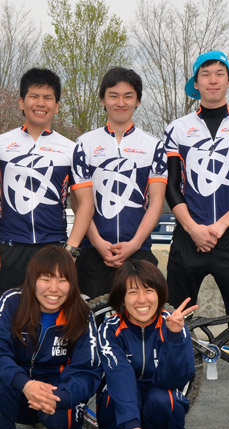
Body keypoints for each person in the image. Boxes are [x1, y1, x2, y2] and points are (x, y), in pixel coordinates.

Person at [163, 50, 229, 429]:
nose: (212, 80)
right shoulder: (177, 128)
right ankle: (167, 397)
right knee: (172, 321)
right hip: (186, 237)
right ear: (196, 82)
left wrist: (219, 227)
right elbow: (171, 189)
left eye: (219, 73)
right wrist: (194, 228)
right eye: (205, 74)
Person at [0, 68, 94, 324]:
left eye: (47, 98)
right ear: (22, 102)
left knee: (51, 328)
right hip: (7, 250)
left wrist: (71, 250)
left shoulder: (72, 149)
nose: (40, 103)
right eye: (34, 96)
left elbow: (86, 203)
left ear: (56, 105)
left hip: (52, 249)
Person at [0, 245, 102, 429]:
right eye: (46, 278)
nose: (53, 289)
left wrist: (61, 397)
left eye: (62, 280)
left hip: (55, 391)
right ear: (32, 279)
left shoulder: (82, 314)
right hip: (17, 388)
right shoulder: (11, 301)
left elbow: (88, 370)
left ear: (72, 283)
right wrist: (25, 384)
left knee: (63, 412)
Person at [78, 260, 205, 429]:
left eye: (148, 290)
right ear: (121, 298)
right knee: (111, 393)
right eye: (132, 292)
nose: (142, 300)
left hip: (157, 406)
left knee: (167, 397)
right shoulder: (111, 328)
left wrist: (174, 337)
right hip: (122, 411)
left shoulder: (173, 323)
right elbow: (120, 375)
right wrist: (132, 426)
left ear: (160, 294)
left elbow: (178, 379)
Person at [74, 67, 167, 299]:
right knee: (88, 326)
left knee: (140, 322)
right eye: (113, 95)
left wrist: (134, 244)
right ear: (102, 99)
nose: (120, 102)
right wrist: (97, 242)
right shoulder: (84, 144)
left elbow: (156, 201)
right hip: (92, 252)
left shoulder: (153, 146)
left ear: (138, 101)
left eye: (128, 96)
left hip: (139, 252)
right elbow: (78, 202)